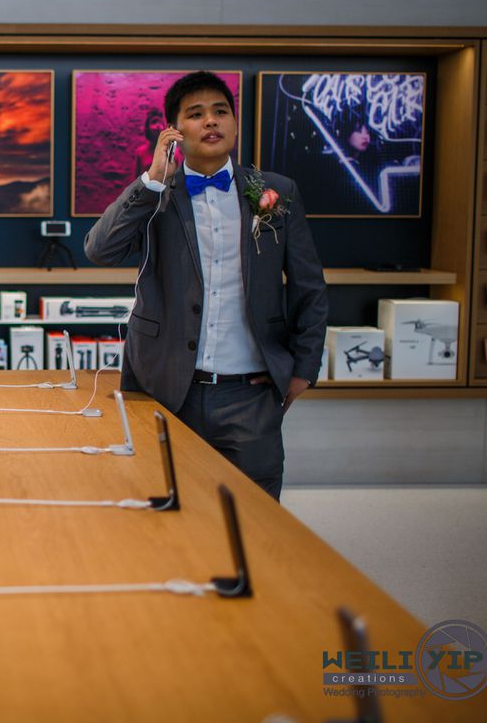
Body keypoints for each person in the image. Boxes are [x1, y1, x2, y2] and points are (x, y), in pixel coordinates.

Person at [85, 71, 327, 501]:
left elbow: (310, 286)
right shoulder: (158, 194)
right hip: (165, 389)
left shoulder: (275, 192)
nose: (211, 122)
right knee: (165, 511)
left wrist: (304, 370)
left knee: (255, 517)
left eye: (220, 112)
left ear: (235, 122)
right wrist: (151, 179)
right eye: (196, 115)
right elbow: (100, 250)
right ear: (175, 131)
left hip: (251, 393)